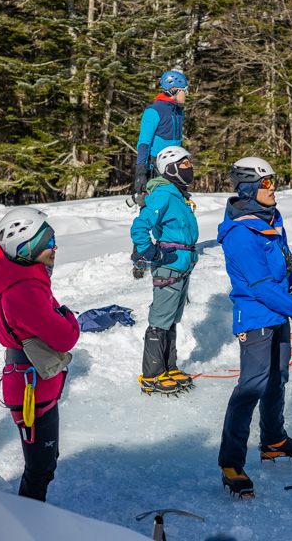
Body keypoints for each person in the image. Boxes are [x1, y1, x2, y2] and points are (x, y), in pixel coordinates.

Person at [215, 157, 292, 497]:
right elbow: (262, 287)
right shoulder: (240, 234)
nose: (273, 187)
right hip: (256, 319)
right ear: (249, 188)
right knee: (251, 388)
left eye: (273, 180)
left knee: (278, 378)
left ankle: (274, 440)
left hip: (278, 315)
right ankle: (231, 462)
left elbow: (289, 269)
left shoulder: (272, 219)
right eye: (266, 183)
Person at [0, 207, 80, 502]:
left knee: (45, 462)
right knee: (40, 468)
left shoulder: (27, 282)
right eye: (48, 241)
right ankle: (27, 524)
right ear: (27, 247)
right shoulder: (24, 291)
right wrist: (67, 314)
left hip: (36, 386)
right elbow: (66, 336)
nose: (54, 247)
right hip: (31, 392)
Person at [130, 146, 198, 394]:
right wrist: (153, 254)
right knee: (160, 321)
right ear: (171, 169)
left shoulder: (178, 195)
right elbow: (139, 228)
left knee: (170, 320)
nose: (190, 168)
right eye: (185, 164)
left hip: (181, 266)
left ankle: (169, 367)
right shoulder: (164, 195)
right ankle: (152, 374)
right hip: (169, 266)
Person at [131, 70, 189, 279]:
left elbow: (179, 140)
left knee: (176, 206)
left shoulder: (178, 111)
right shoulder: (153, 111)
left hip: (176, 165)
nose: (186, 93)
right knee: (152, 208)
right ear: (173, 90)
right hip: (156, 166)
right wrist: (141, 171)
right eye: (184, 90)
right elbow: (144, 142)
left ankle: (170, 246)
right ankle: (139, 256)